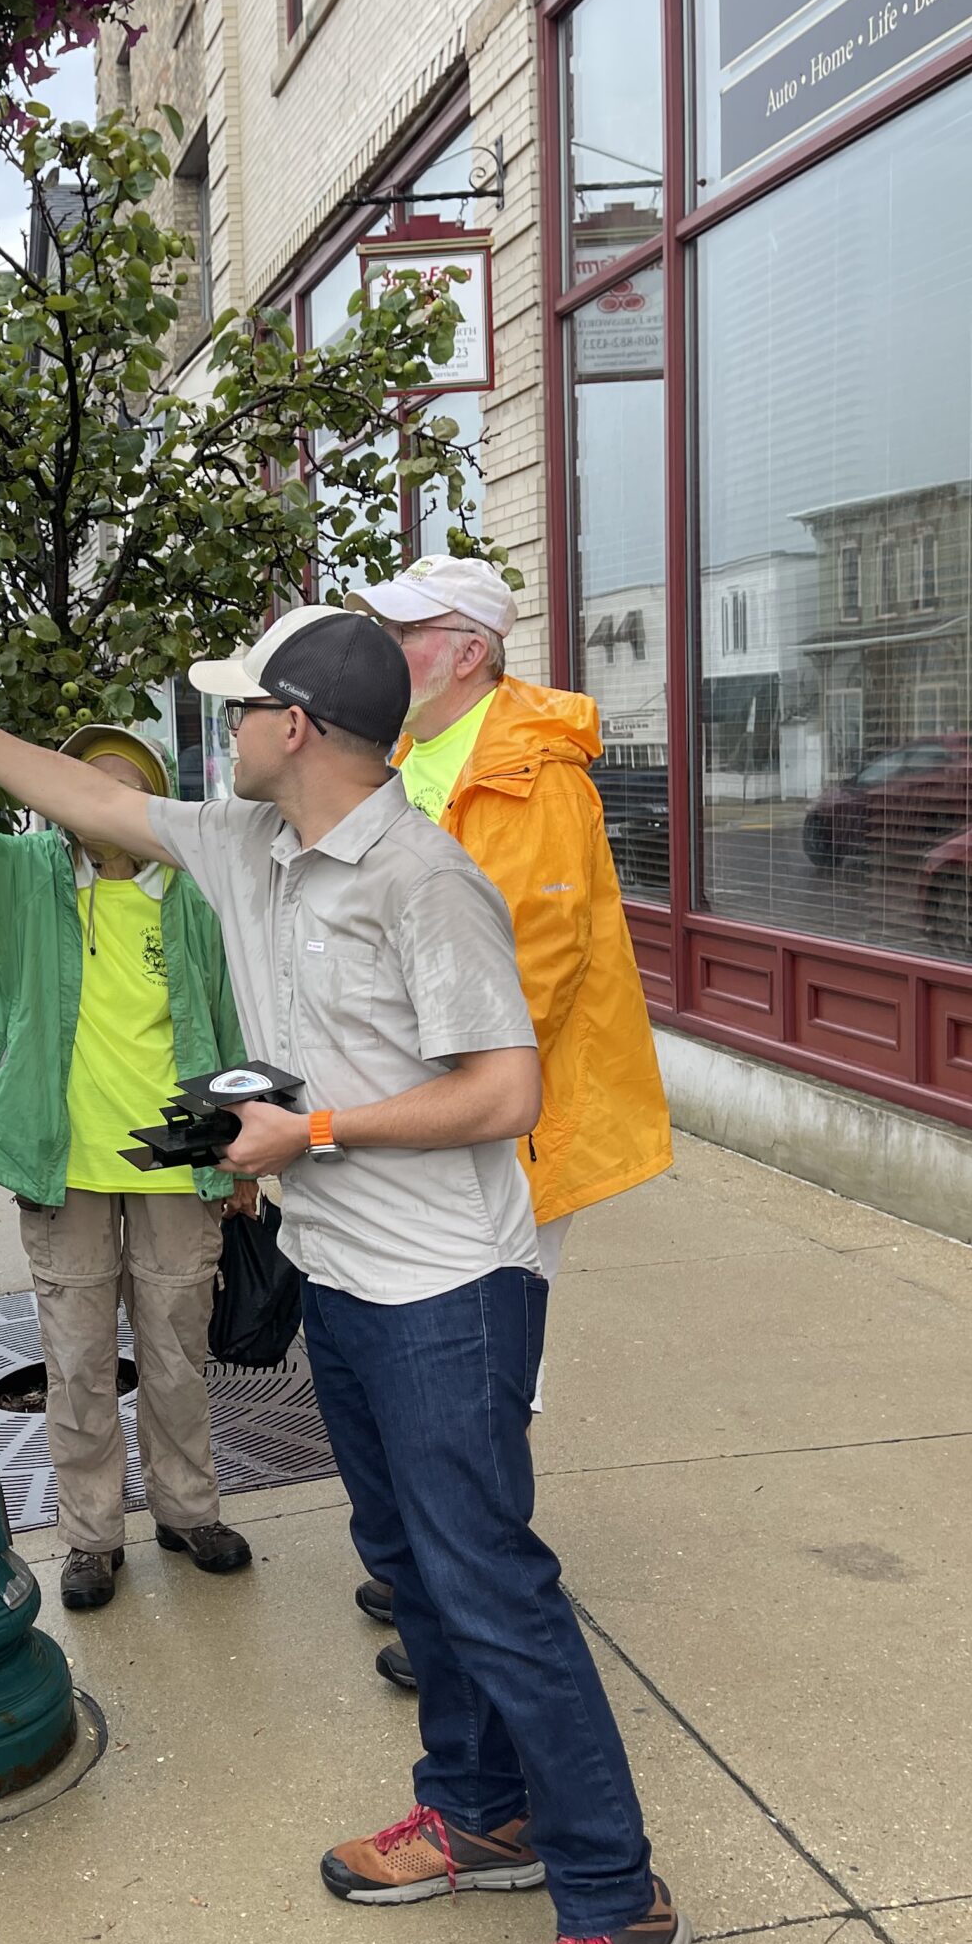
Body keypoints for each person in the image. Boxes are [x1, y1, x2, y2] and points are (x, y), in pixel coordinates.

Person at [0, 615, 690, 1944]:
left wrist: (308, 1132)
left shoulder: (421, 876)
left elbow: (505, 1089)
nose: (221, 733)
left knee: (494, 1588)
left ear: (300, 728)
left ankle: (615, 1904)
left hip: (451, 1286)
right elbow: (99, 804)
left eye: (239, 710)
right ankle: (472, 1808)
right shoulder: (252, 849)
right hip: (346, 1276)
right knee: (415, 1567)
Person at [344, 554, 673, 1691]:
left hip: (509, 1132)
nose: (379, 654)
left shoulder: (533, 776)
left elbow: (525, 980)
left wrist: (378, 1099)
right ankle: (435, 1574)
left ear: (467, 651)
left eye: (400, 634)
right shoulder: (416, 756)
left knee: (482, 1374)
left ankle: (472, 1609)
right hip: (440, 1119)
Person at [0, 725, 255, 1610]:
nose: (98, 799)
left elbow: (231, 1022)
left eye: (121, 785)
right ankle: (90, 1538)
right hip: (63, 1169)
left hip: (177, 1170)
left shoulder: (192, 897)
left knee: (179, 1358)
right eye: (83, 783)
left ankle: (189, 1513)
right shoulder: (21, 880)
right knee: (76, 1367)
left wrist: (244, 1155)